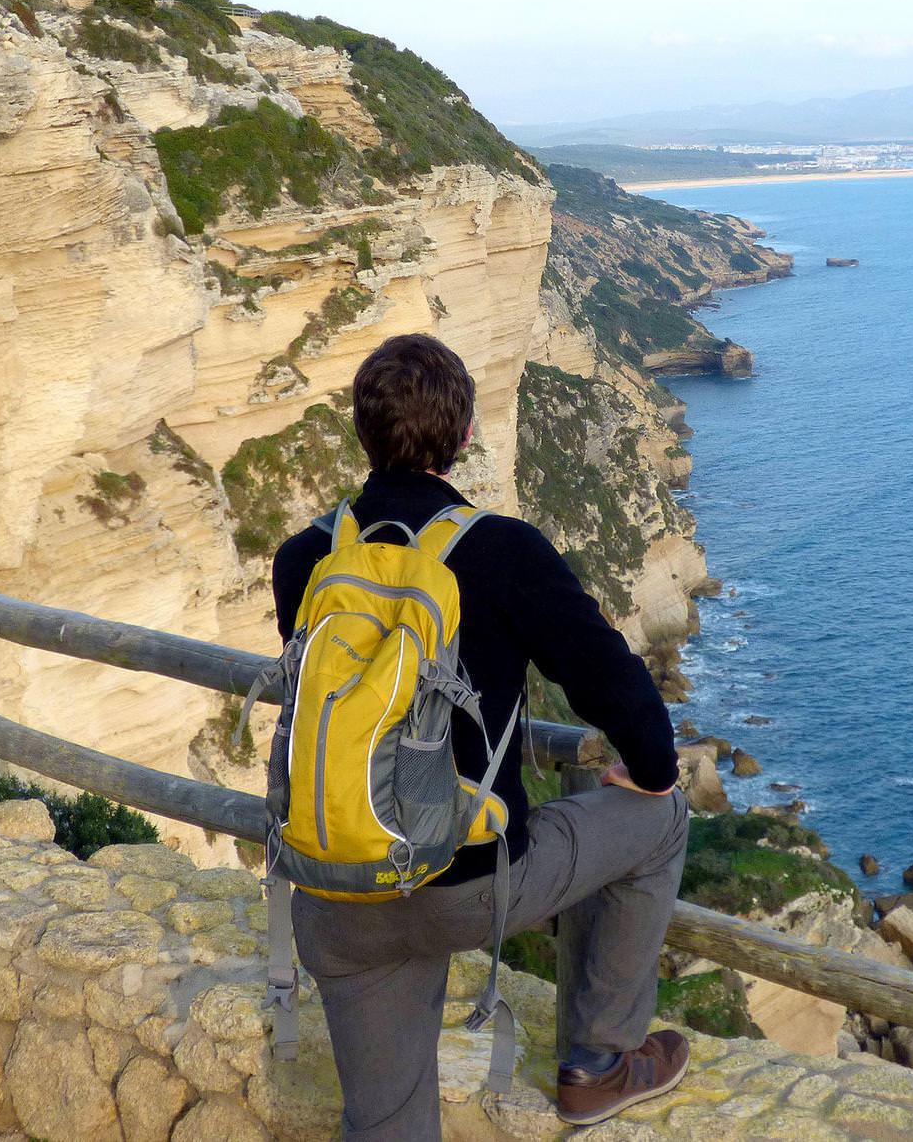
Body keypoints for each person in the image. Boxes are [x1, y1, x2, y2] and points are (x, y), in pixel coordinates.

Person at [271, 333, 691, 1140]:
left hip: (336, 887)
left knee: (385, 1124)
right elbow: (613, 685)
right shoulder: (503, 551)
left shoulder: (304, 560)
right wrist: (654, 771)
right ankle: (598, 1065)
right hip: (466, 885)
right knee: (663, 816)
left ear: (363, 434)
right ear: (464, 437)